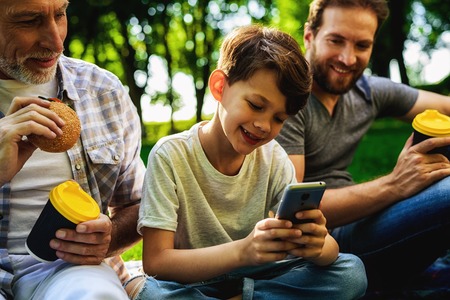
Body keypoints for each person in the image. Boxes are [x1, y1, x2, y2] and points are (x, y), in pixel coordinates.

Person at [126, 24, 367, 300]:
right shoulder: (170, 155)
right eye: (255, 105)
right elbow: (157, 263)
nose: (264, 126)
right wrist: (243, 251)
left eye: (279, 119)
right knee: (152, 295)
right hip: (194, 283)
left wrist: (318, 244)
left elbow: (329, 253)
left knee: (351, 272)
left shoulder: (275, 159)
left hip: (259, 277)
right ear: (219, 87)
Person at [275, 0, 450, 292]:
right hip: (326, 247)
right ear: (309, 35)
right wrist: (394, 185)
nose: (347, 58)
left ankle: (420, 274)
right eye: (336, 40)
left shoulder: (368, 91)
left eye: (361, 45)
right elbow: (293, 207)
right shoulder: (286, 100)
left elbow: (444, 107)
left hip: (369, 221)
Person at [0, 0, 146, 299]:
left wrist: (109, 237)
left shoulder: (103, 91)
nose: (56, 41)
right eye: (29, 20)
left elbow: (141, 206)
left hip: (70, 270)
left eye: (60, 14)